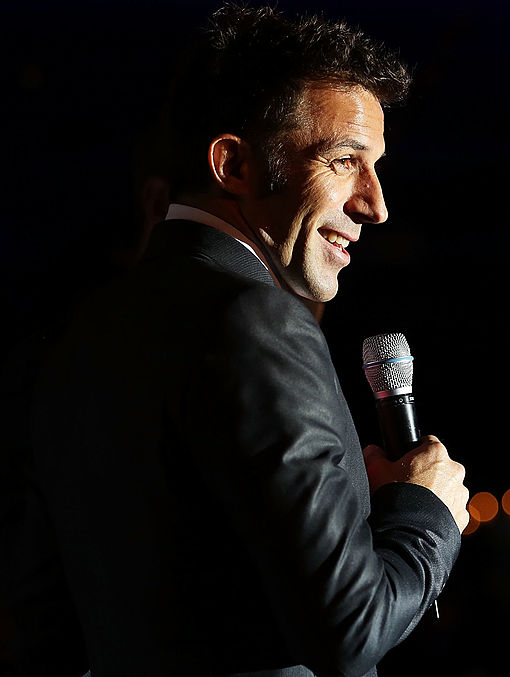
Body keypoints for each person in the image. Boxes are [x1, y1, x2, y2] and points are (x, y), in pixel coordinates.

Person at [20, 4, 470, 676]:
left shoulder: (82, 330)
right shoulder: (258, 320)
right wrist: (424, 513)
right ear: (233, 164)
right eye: (345, 161)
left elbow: (40, 624)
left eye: (375, 167)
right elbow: (349, 630)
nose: (376, 204)